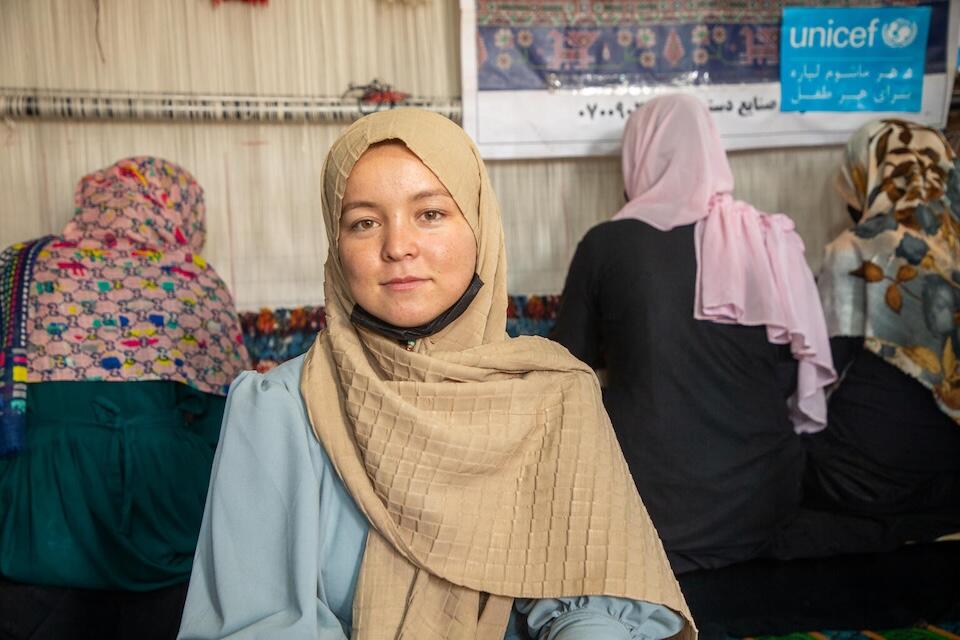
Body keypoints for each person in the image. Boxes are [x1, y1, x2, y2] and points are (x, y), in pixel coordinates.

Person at [178, 109, 695, 640]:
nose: (397, 246)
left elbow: (595, 604)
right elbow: (259, 623)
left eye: (430, 214)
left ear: (479, 226)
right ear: (336, 249)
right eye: (363, 222)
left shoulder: (555, 395)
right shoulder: (283, 408)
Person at [551, 94, 837, 573]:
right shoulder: (765, 237)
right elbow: (793, 373)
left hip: (648, 513)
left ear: (640, 155)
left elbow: (560, 365)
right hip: (764, 503)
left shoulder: (607, 244)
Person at [0, 157, 250, 640]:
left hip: (40, 516)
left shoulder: (19, 269)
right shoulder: (192, 278)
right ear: (176, 213)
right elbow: (230, 416)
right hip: (159, 515)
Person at [805, 118, 960, 536]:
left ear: (869, 172)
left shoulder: (855, 250)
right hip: (952, 479)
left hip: (863, 478)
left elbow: (820, 371)